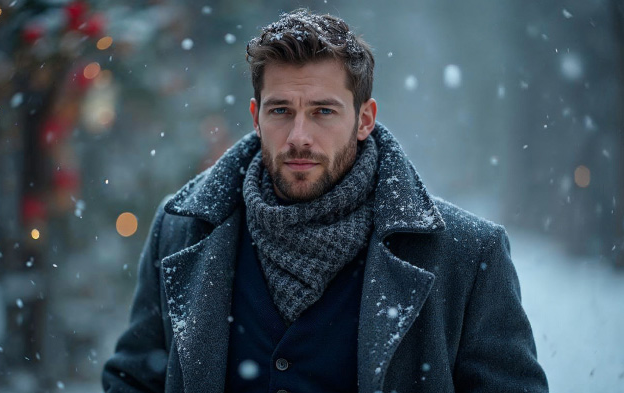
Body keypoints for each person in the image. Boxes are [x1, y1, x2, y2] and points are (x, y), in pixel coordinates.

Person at [102, 9, 549, 393]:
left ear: (364, 119)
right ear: (257, 117)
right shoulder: (180, 229)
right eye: (281, 111)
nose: (299, 137)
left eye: (323, 111)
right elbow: (135, 380)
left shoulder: (466, 254)